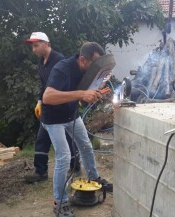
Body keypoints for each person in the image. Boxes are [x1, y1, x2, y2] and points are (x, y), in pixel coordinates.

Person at [42, 42, 112, 217]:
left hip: (71, 115)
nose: (95, 69)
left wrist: (92, 95)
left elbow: (79, 98)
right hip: (53, 119)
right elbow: (48, 97)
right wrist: (81, 94)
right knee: (64, 156)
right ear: (82, 60)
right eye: (94, 65)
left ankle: (94, 178)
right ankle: (60, 201)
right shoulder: (61, 69)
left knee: (86, 146)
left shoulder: (85, 72)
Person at [24, 32, 80, 183]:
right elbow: (44, 85)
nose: (33, 50)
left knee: (68, 138)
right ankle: (40, 171)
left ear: (46, 43)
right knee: (42, 138)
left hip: (62, 108)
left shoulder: (59, 61)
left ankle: (75, 166)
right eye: (32, 46)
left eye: (36, 45)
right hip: (48, 108)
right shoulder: (42, 62)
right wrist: (39, 101)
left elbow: (65, 87)